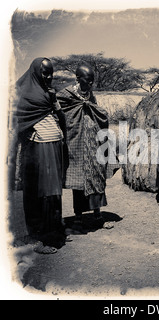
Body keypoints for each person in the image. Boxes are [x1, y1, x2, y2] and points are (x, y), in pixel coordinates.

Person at [15, 57, 69, 254]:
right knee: (43, 194)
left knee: (54, 193)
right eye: (45, 72)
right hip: (38, 150)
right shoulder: (25, 94)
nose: (49, 76)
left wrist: (54, 100)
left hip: (54, 147)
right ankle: (43, 238)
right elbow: (17, 123)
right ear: (35, 73)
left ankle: (54, 231)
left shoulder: (49, 94)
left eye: (51, 72)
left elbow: (61, 119)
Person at [57, 63, 113, 230]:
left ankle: (97, 214)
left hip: (93, 142)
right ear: (78, 79)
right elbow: (59, 110)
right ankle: (78, 217)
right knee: (79, 180)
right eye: (87, 80)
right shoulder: (67, 94)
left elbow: (95, 112)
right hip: (77, 142)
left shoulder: (90, 94)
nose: (90, 84)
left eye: (92, 81)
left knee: (96, 176)